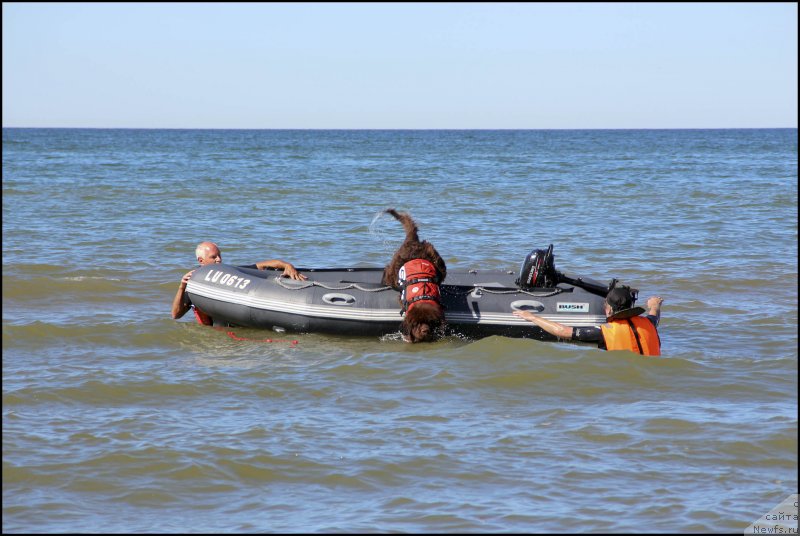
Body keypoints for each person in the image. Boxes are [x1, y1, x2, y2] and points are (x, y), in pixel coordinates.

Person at [171, 241, 307, 325]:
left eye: (219, 255)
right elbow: (176, 315)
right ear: (201, 261)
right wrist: (182, 287)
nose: (219, 259)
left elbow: (263, 265)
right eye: (213, 257)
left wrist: (287, 265)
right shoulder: (195, 280)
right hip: (215, 333)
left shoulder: (230, 273)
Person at [513, 285, 663, 356]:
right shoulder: (649, 324)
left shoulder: (605, 332)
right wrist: (655, 304)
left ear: (609, 309)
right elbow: (654, 314)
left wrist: (532, 317)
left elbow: (562, 331)